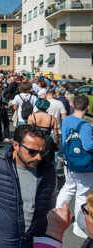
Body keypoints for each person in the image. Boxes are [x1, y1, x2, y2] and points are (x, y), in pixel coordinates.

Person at [0, 124, 57, 248]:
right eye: (32, 152)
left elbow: (50, 203)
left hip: (31, 245)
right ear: (16, 145)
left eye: (42, 152)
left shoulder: (49, 171)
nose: (38, 157)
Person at [56, 95, 93, 238]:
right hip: (83, 165)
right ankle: (79, 225)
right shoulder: (85, 126)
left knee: (69, 187)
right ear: (87, 107)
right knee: (82, 194)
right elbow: (88, 146)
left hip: (69, 161)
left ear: (72, 105)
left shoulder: (66, 120)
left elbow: (65, 139)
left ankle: (58, 212)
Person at [27, 98, 59, 162]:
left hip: (36, 139)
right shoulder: (52, 118)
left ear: (37, 106)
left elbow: (29, 131)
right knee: (49, 161)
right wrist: (57, 144)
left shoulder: (32, 117)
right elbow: (56, 133)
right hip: (48, 140)